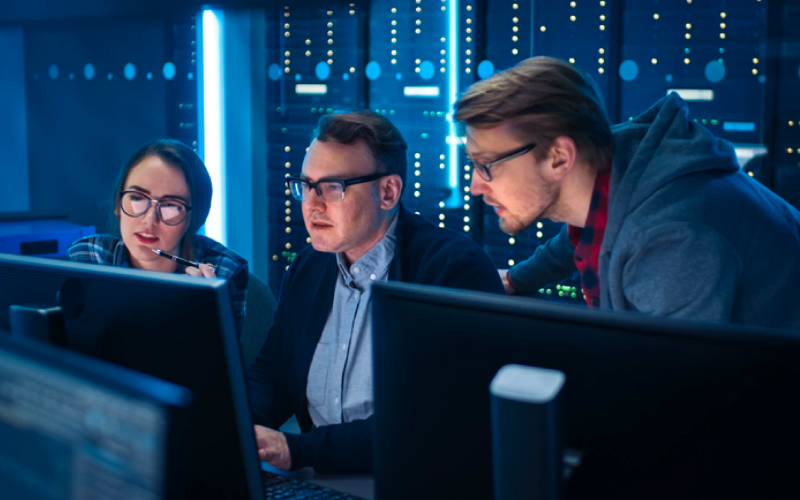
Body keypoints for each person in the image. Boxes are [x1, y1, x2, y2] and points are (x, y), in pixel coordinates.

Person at [454, 55, 800, 329]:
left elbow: (681, 389)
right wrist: (515, 279)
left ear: (559, 157)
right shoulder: (618, 169)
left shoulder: (672, 240)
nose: (474, 186)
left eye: (487, 164)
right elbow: (576, 238)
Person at [247, 111, 504, 474]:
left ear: (388, 192)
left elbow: (431, 423)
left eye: (332, 187)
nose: (312, 204)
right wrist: (234, 423)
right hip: (322, 478)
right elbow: (275, 375)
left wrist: (298, 450)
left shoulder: (452, 270)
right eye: (306, 185)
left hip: (413, 483)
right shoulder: (308, 266)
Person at [68, 139, 249, 334]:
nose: (149, 220)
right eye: (137, 198)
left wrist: (200, 313)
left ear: (193, 218)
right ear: (117, 204)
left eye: (171, 205)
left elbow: (218, 362)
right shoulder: (87, 258)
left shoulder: (224, 271)